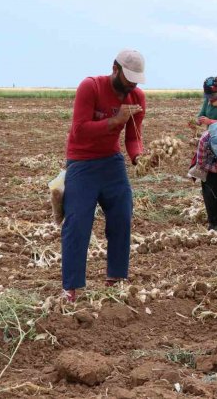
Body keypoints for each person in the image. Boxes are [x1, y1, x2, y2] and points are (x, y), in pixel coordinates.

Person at [61, 49, 147, 302]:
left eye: (136, 79)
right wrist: (115, 119)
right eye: (128, 77)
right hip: (82, 163)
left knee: (122, 216)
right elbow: (79, 131)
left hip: (112, 163)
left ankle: (116, 278)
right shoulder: (91, 87)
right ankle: (71, 287)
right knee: (77, 224)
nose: (132, 84)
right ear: (115, 68)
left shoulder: (137, 97)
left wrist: (138, 157)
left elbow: (133, 137)